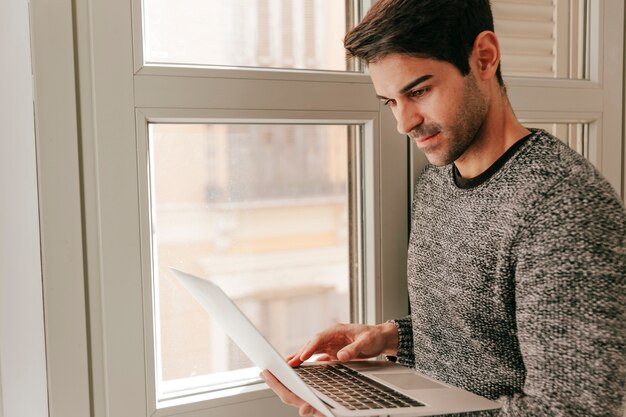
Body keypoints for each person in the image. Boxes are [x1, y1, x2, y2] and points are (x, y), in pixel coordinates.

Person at [260, 0, 626, 415]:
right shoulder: (437, 181)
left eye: (417, 91)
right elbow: (493, 341)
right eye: (391, 102)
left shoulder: (564, 206)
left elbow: (575, 409)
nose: (404, 123)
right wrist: (392, 338)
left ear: (484, 57)